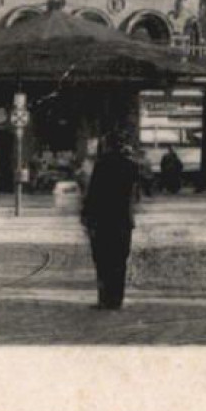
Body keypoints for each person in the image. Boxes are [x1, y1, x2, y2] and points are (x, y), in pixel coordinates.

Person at [81, 133, 140, 310]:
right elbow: (136, 195)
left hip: (103, 220)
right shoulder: (131, 166)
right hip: (123, 221)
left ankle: (104, 299)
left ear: (106, 146)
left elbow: (93, 194)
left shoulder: (102, 165)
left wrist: (86, 216)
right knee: (120, 260)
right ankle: (117, 299)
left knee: (103, 261)